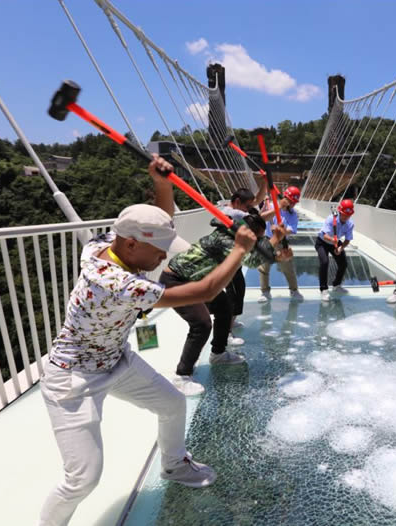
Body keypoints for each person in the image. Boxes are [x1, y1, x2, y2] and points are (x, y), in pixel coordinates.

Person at [39, 155, 258, 526]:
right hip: (73, 378)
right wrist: (239, 250)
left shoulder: (105, 243)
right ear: (130, 245)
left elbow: (159, 220)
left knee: (172, 403)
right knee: (82, 479)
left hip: (115, 359)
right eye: (158, 250)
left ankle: (173, 465)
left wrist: (161, 184)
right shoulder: (117, 283)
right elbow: (204, 290)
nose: (163, 256)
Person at [159, 210, 288, 395]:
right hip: (177, 281)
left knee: (225, 307)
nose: (258, 242)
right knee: (201, 324)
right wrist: (275, 239)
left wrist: (276, 256)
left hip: (195, 280)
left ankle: (218, 354)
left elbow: (254, 252)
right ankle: (182, 376)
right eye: (257, 238)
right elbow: (251, 261)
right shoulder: (225, 240)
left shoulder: (234, 235)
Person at [221, 183, 266, 329]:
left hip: (233, 260)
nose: (249, 209)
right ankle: (226, 331)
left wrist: (264, 183)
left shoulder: (231, 209)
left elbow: (256, 202)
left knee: (238, 291)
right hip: (228, 260)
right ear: (237, 202)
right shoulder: (235, 213)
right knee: (233, 294)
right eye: (247, 206)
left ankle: (230, 323)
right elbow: (258, 218)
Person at [257, 186, 303, 303]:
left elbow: (291, 229)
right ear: (285, 198)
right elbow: (260, 218)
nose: (293, 204)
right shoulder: (271, 206)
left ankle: (294, 290)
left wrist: (280, 231)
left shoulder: (293, 214)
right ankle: (265, 292)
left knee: (288, 268)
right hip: (267, 240)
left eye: (294, 202)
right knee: (263, 267)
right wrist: (272, 208)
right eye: (291, 201)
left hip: (282, 243)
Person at [316, 198, 355, 302]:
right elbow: (324, 235)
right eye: (344, 215)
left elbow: (347, 239)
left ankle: (336, 285)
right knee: (324, 262)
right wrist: (333, 240)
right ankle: (324, 290)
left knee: (343, 264)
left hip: (335, 242)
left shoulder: (350, 224)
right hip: (322, 242)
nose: (346, 217)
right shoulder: (330, 219)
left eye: (348, 215)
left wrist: (341, 248)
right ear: (340, 212)